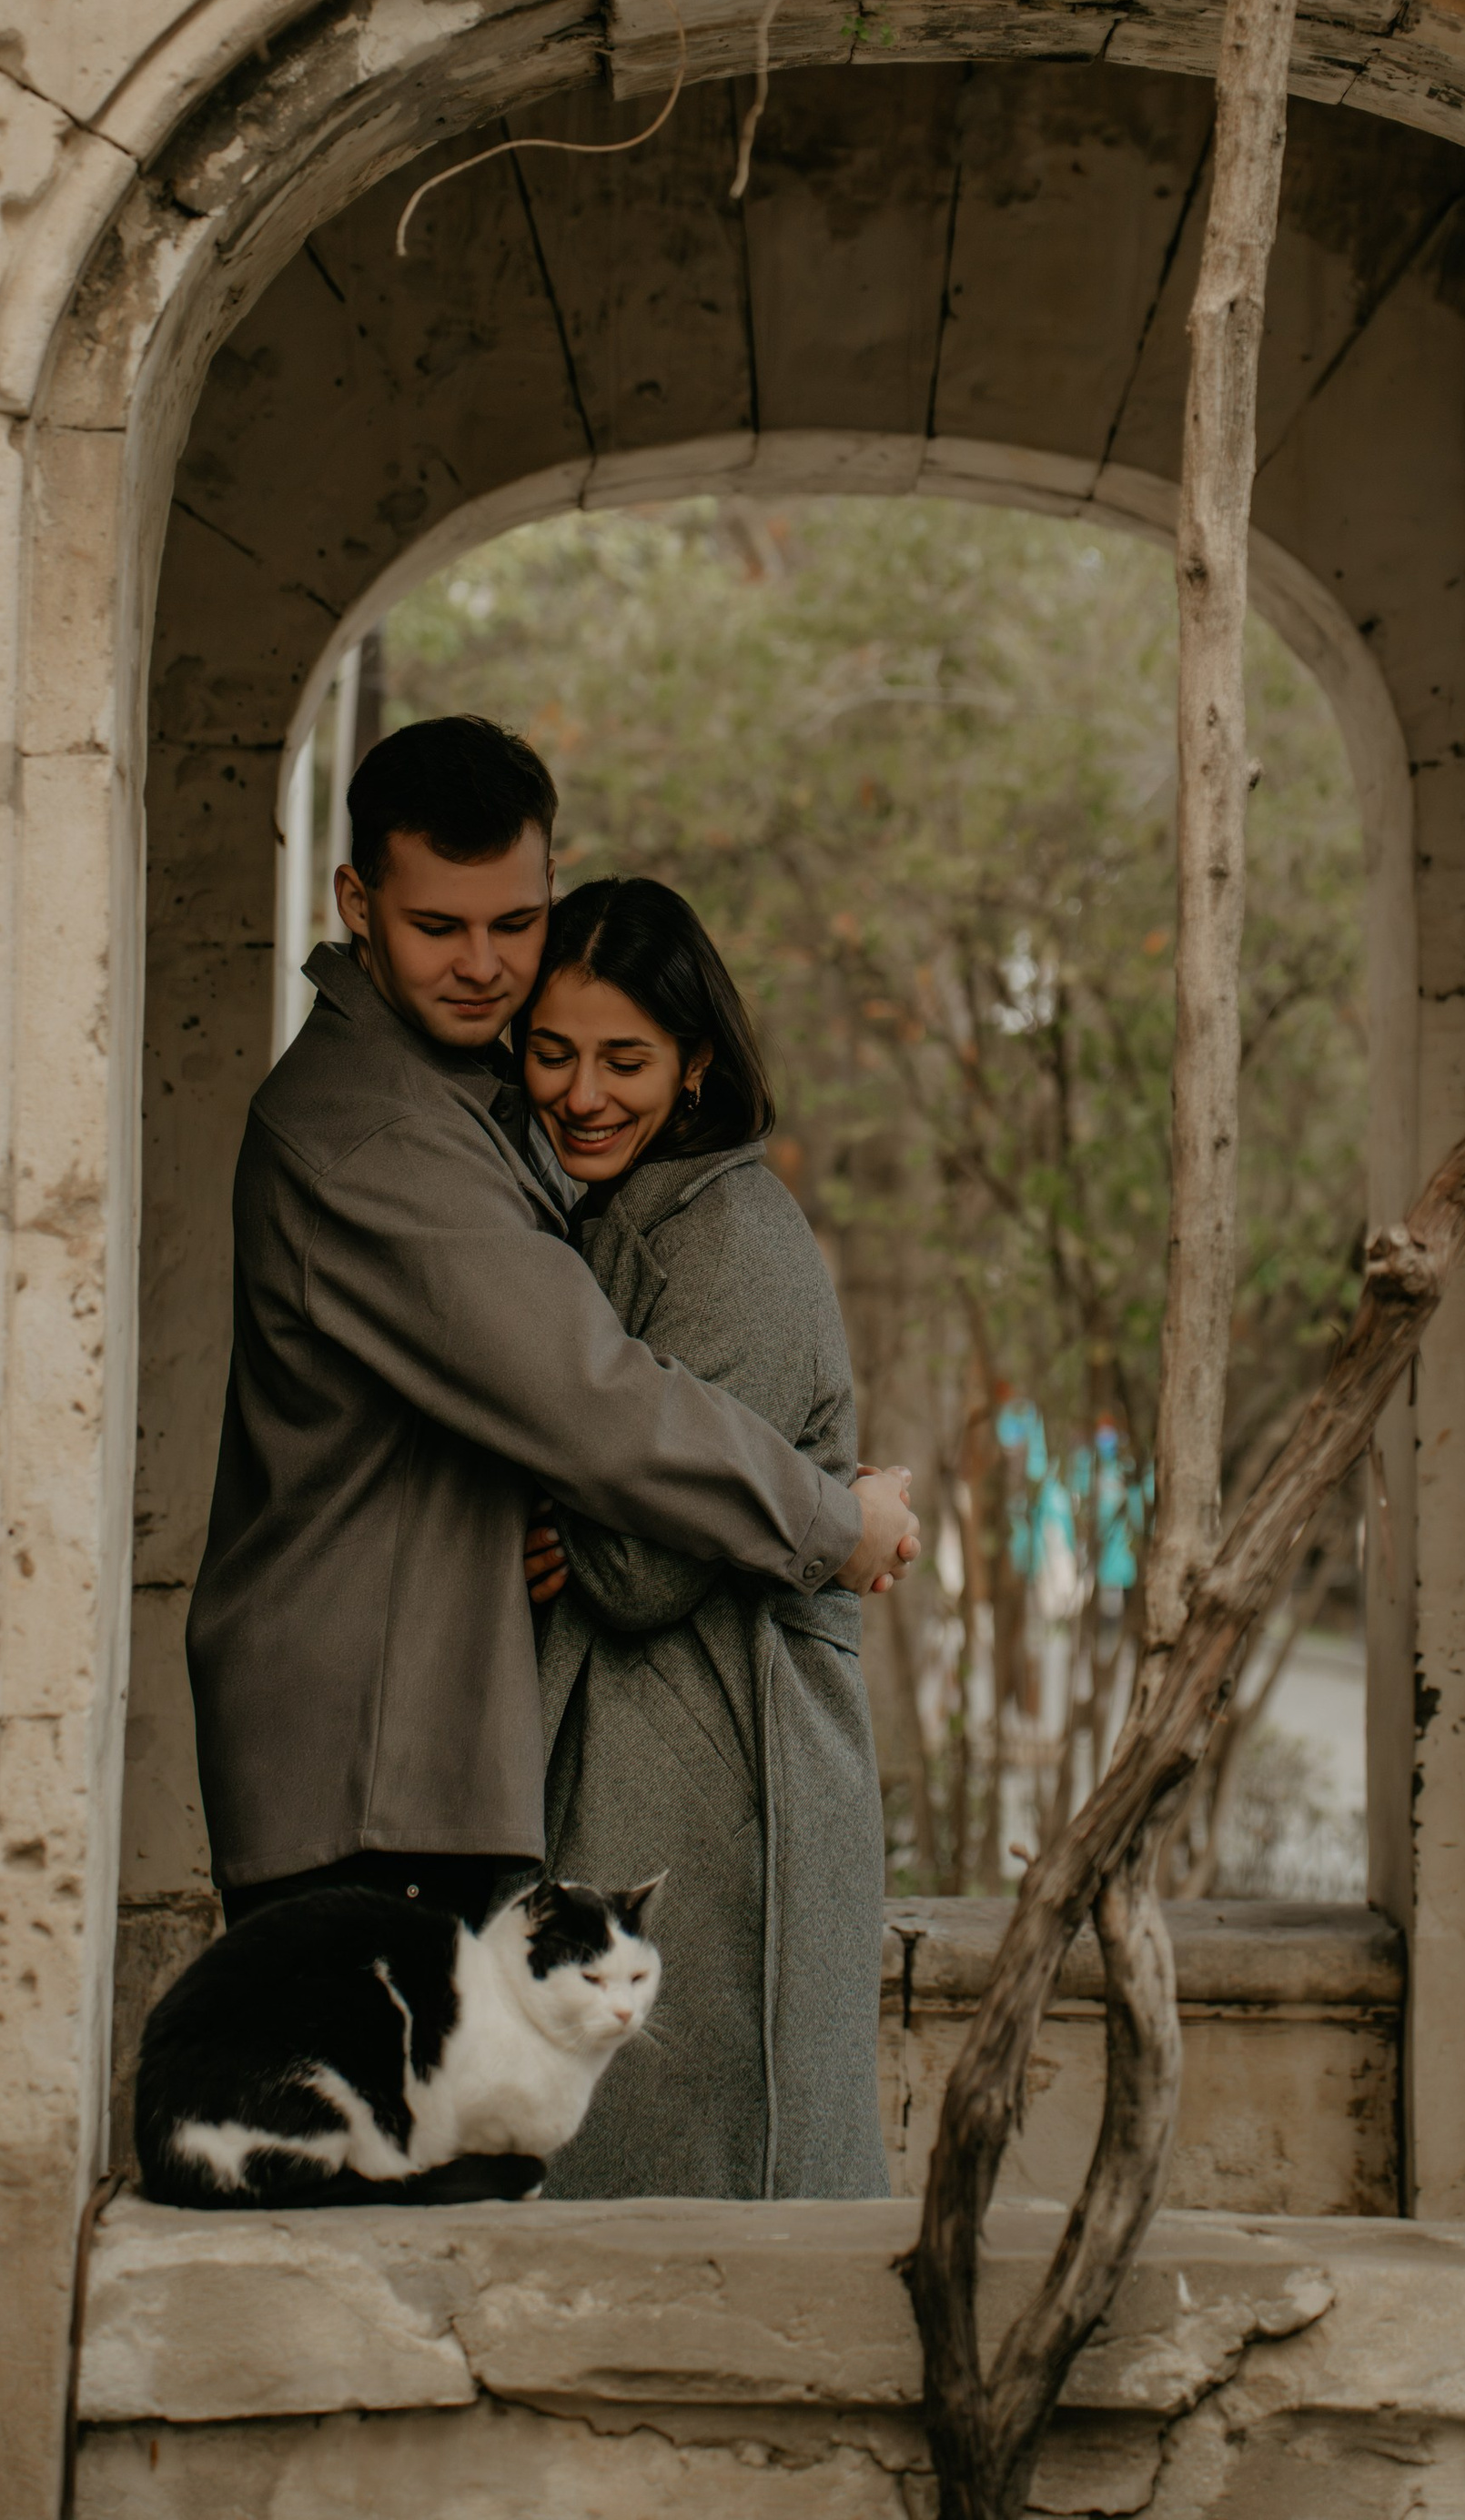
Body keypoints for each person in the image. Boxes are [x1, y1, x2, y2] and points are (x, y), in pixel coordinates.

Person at [186, 718, 920, 1935]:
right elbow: (593, 1399)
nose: (483, 965)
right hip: (370, 1787)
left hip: (410, 1775)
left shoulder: (466, 1094)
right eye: (437, 927)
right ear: (356, 902)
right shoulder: (378, 1135)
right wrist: (835, 1520)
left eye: (514, 924)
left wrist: (539, 1528)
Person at [519, 877, 890, 2200]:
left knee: (713, 2180)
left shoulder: (730, 1237)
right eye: (552, 1052)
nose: (583, 1093)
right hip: (635, 1755)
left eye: (626, 1059)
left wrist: (541, 1495)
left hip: (729, 1768)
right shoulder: (602, 1218)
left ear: (693, 1071)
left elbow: (635, 1567)